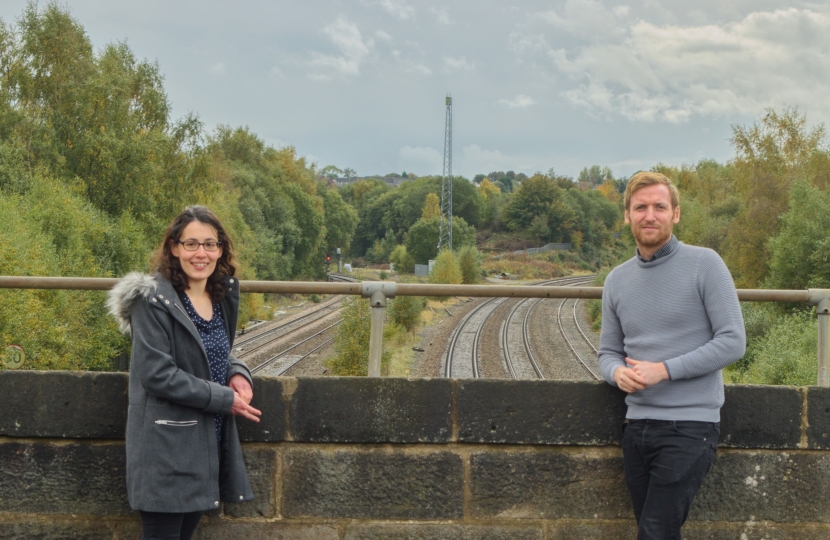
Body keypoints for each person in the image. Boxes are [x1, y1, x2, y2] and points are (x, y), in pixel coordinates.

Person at [597, 172, 745, 540]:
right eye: (640, 207)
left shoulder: (705, 263)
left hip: (691, 427)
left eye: (659, 207)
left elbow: (733, 341)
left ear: (675, 214)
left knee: (655, 531)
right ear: (627, 216)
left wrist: (665, 370)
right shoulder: (616, 280)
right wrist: (616, 374)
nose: (650, 215)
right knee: (657, 531)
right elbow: (607, 353)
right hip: (637, 427)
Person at [107, 205, 262, 540]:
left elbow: (214, 353)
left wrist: (238, 373)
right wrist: (226, 399)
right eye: (191, 244)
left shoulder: (219, 295)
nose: (200, 253)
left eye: (209, 244)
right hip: (167, 445)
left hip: (206, 440)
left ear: (220, 250)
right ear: (174, 248)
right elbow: (157, 374)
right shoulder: (152, 300)